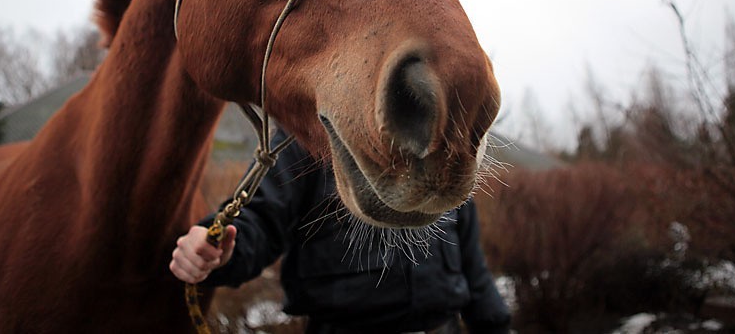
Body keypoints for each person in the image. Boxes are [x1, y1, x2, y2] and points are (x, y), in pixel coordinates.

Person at [171, 129, 511, 334]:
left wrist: (495, 326)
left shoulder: (440, 136)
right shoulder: (308, 133)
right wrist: (217, 244)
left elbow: (473, 267)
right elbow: (260, 217)